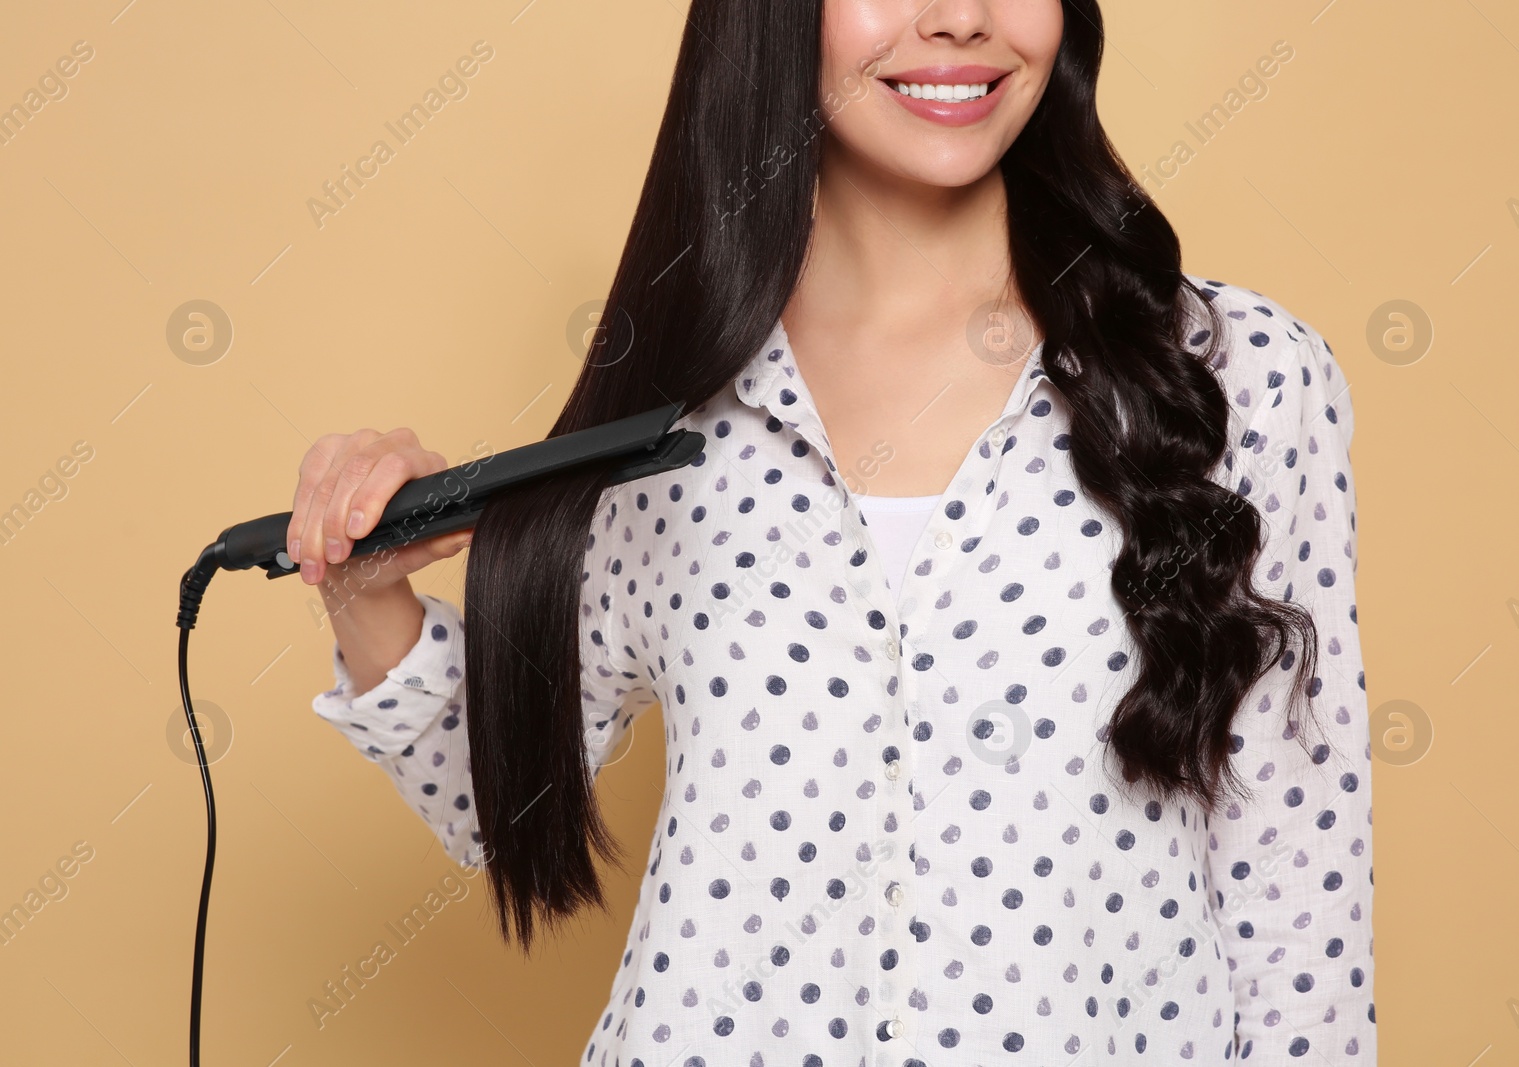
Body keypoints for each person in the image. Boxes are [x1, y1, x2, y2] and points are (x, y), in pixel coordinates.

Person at [291, 1, 1376, 1063]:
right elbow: (508, 802)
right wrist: (362, 586)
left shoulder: (1235, 381)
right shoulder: (673, 414)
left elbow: (1296, 877)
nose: (962, 18)